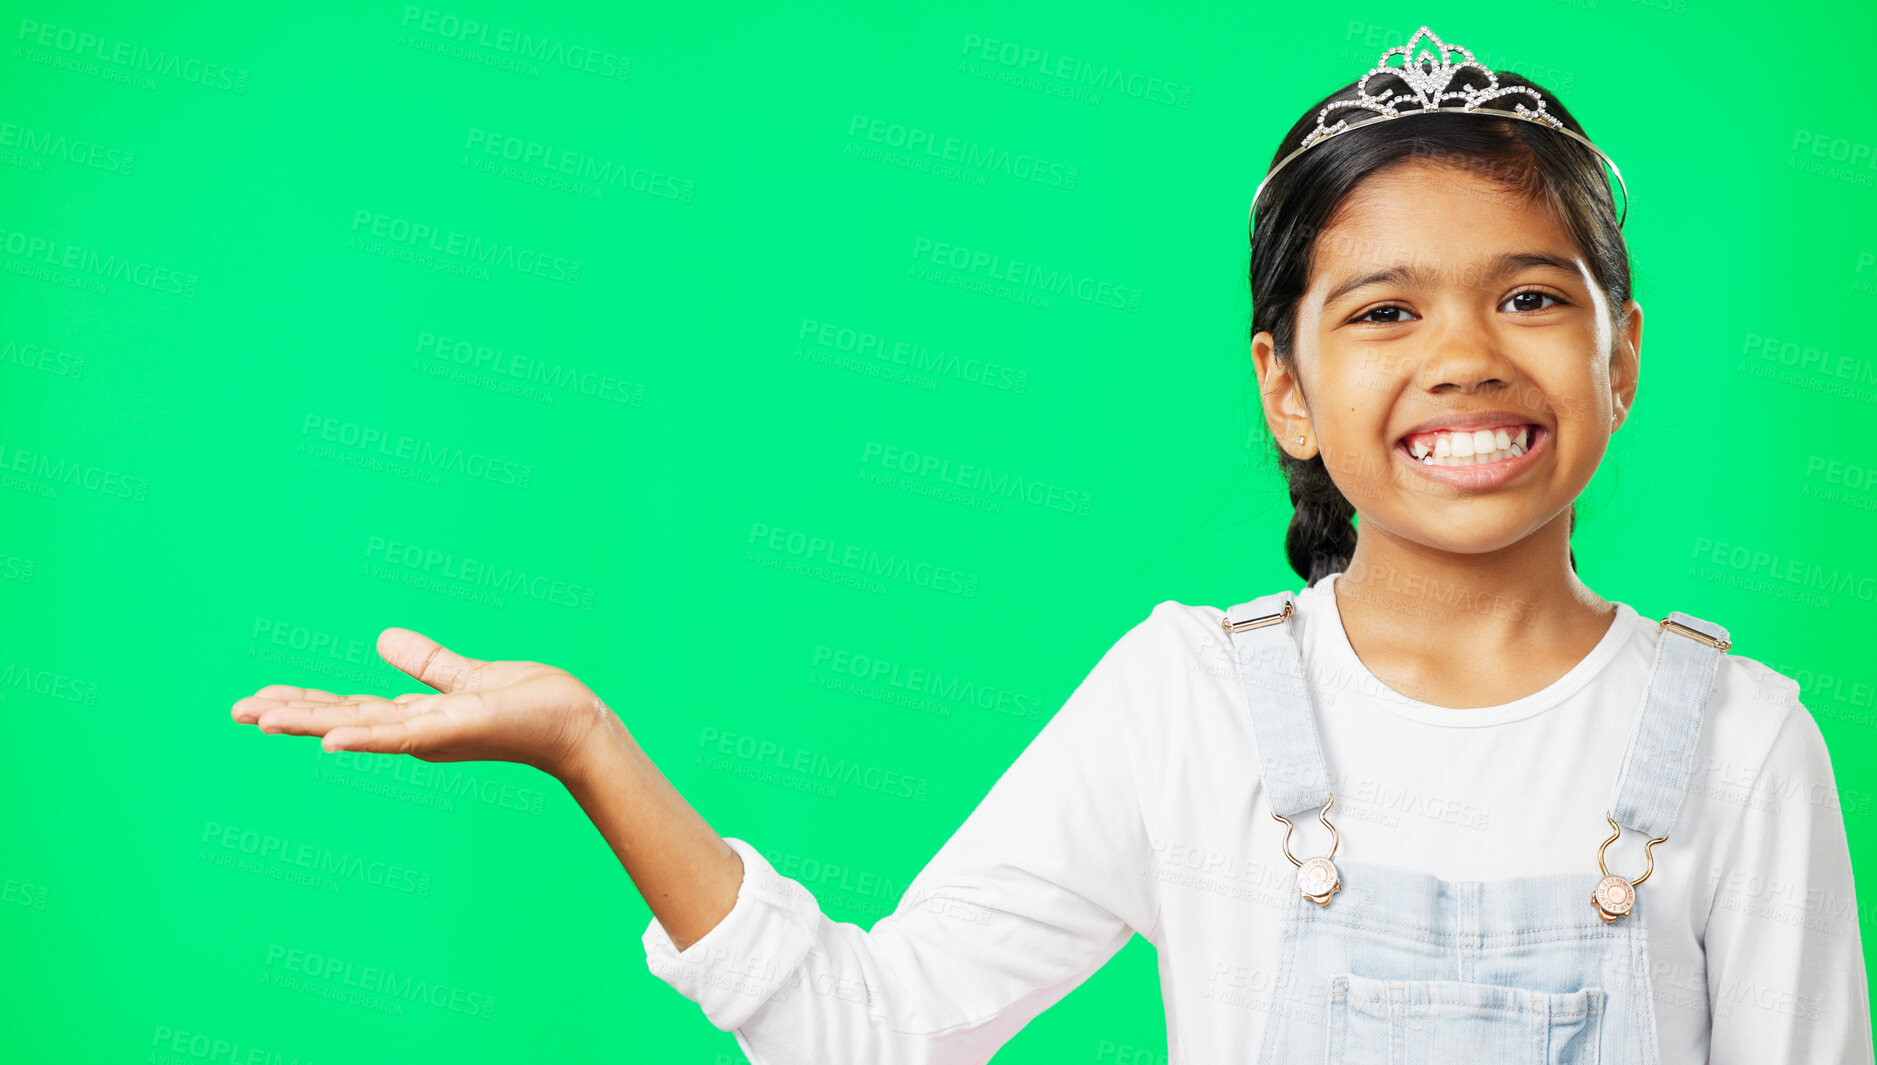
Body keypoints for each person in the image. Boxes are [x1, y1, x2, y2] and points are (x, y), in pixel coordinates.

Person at [229, 25, 1874, 1065]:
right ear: (1285, 389)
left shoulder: (1737, 741)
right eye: (1382, 310)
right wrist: (589, 748)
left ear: (1622, 354)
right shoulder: (1190, 701)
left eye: (1530, 295)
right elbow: (871, 1033)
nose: (1463, 353)